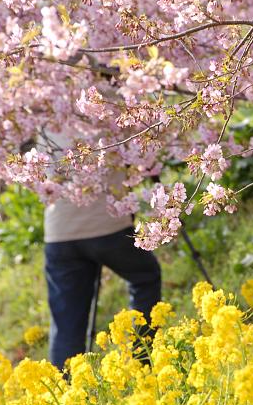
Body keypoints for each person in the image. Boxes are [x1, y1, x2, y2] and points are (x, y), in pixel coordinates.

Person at [40, 130, 162, 370]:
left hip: (59, 235)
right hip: (109, 228)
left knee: (66, 323)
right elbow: (142, 157)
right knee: (145, 276)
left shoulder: (45, 121)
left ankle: (65, 388)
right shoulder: (112, 113)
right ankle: (142, 359)